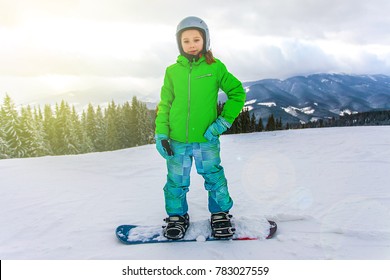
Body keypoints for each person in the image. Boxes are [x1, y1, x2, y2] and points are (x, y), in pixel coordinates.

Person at [155, 16, 245, 240]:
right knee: (176, 182)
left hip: (207, 139)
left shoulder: (215, 67)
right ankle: (177, 217)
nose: (192, 44)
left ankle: (220, 214)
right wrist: (161, 133)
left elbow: (237, 93)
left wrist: (222, 123)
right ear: (179, 44)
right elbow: (165, 104)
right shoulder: (172, 71)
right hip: (177, 141)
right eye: (186, 41)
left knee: (214, 178)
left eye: (196, 39)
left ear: (205, 40)